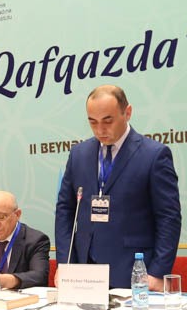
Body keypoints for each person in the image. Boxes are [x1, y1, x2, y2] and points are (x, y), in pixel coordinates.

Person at [54, 85, 180, 289]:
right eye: (92, 122)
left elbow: (169, 218)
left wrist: (157, 272)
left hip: (132, 271)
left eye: (108, 121)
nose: (100, 130)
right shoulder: (79, 154)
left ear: (127, 112)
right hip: (84, 271)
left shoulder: (154, 155)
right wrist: (64, 263)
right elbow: (65, 211)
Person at [0, 190, 51, 290]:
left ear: (17, 215)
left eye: (1, 217)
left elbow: (40, 276)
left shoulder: (36, 240)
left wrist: (9, 280)